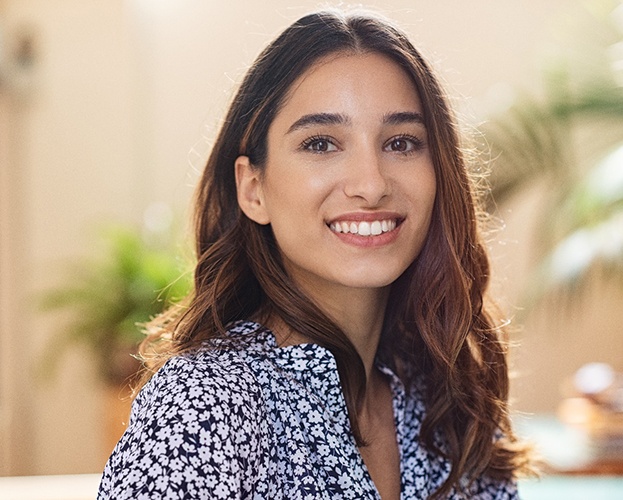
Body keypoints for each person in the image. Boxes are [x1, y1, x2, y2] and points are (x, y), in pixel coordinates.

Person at [98, 9, 531, 499]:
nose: (371, 185)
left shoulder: (450, 402)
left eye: (401, 142)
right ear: (254, 188)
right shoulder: (203, 407)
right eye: (321, 143)